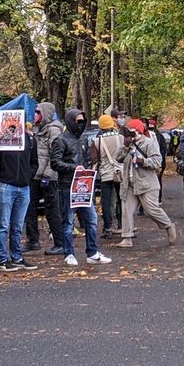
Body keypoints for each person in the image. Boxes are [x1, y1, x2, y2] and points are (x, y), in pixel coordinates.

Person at [51, 108, 110, 266]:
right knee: (68, 222)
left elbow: (87, 159)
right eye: (77, 121)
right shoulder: (60, 140)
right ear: (70, 121)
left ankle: (92, 252)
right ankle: (69, 253)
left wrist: (89, 169)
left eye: (82, 121)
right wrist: (73, 168)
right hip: (67, 186)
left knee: (92, 219)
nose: (80, 124)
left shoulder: (83, 139)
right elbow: (55, 162)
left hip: (83, 186)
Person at [0, 115, 39, 271]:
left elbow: (34, 162)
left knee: (18, 225)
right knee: (3, 225)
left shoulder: (29, 139)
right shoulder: (1, 137)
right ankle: (3, 259)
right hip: (6, 185)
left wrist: (27, 177)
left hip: (23, 186)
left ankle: (17, 257)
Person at [117, 118, 177, 248]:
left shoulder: (148, 143)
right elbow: (118, 158)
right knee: (127, 211)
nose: (129, 133)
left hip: (147, 184)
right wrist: (125, 146)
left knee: (151, 210)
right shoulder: (128, 144)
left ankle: (168, 225)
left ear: (138, 131)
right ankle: (127, 238)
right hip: (129, 183)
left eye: (131, 130)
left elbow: (157, 161)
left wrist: (142, 161)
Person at [25, 102, 65, 254]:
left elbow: (54, 154)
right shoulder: (38, 129)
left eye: (38, 112)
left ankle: (60, 243)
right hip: (35, 175)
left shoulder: (54, 130)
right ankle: (33, 240)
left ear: (45, 113)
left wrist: (47, 174)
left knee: (51, 210)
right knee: (30, 208)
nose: (35, 115)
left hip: (49, 177)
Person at [89, 115, 125, 238]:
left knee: (106, 202)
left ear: (101, 127)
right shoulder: (121, 138)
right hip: (120, 173)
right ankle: (122, 225)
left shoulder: (97, 141)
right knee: (121, 200)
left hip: (105, 175)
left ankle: (108, 228)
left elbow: (93, 159)